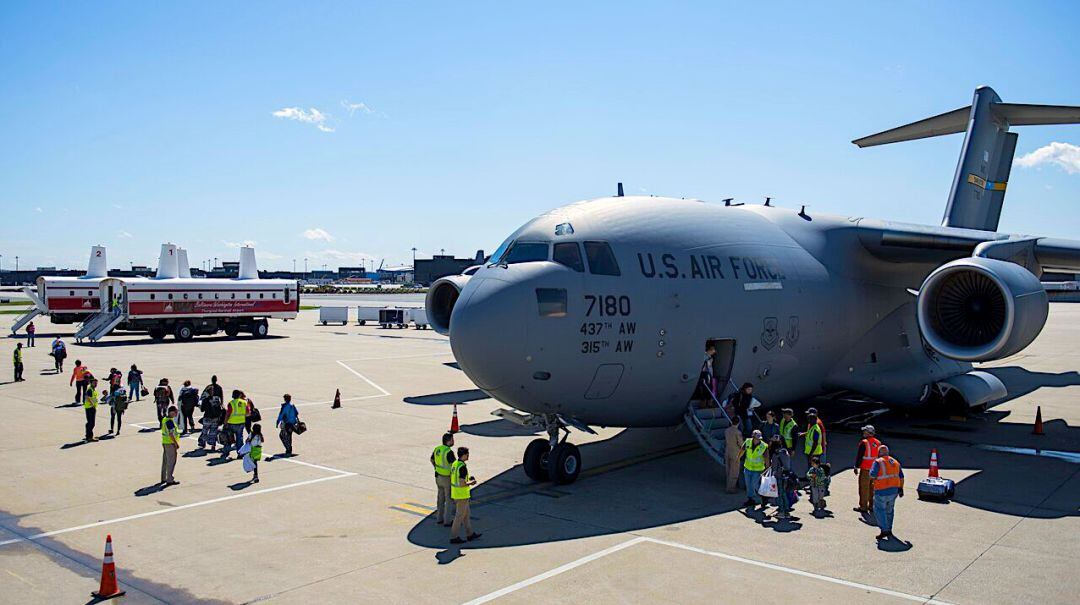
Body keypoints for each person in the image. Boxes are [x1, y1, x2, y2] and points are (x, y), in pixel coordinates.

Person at [869, 444, 904, 540]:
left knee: (880, 510)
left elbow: (872, 475)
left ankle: (884, 530)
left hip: (881, 490)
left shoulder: (878, 462)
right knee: (889, 510)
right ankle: (889, 529)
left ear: (879, 453)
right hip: (894, 491)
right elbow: (901, 477)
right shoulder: (895, 462)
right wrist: (901, 488)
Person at [449, 446, 481, 544]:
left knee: (466, 515)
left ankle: (470, 534)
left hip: (457, 494)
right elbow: (462, 483)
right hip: (461, 495)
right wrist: (471, 482)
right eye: (467, 454)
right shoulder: (462, 467)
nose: (468, 456)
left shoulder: (455, 464)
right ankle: (454, 537)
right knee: (459, 516)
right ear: (463, 455)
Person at [853, 425, 882, 514]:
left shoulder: (864, 442)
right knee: (872, 489)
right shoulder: (878, 443)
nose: (863, 433)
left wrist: (856, 466)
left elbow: (860, 456)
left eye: (865, 431)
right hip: (875, 470)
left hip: (865, 469)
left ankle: (863, 507)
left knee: (864, 488)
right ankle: (872, 506)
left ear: (869, 433)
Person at [431, 432, 457, 526]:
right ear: (448, 441)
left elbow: (432, 460)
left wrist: (436, 467)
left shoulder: (437, 449)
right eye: (452, 440)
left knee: (440, 499)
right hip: (447, 478)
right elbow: (454, 465)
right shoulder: (449, 452)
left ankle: (439, 518)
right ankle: (447, 521)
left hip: (438, 477)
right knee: (448, 500)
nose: (453, 441)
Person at [740, 429, 768, 508]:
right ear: (753, 437)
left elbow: (767, 458)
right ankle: (751, 499)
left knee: (755, 484)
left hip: (758, 470)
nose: (758, 440)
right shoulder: (748, 442)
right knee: (748, 484)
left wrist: (767, 469)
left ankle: (763, 497)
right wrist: (737, 459)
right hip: (748, 467)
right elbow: (742, 450)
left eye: (760, 439)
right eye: (757, 438)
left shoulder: (764, 446)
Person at [769, 435, 793, 519]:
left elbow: (774, 468)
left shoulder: (775, 455)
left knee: (779, 494)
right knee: (785, 494)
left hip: (779, 477)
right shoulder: (786, 452)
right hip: (787, 475)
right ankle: (786, 511)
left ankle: (781, 511)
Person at [221, 389, 249, 459]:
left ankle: (226, 453)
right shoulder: (244, 402)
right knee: (239, 438)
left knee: (228, 438)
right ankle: (240, 453)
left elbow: (228, 414)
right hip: (241, 423)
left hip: (231, 423)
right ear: (240, 395)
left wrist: (225, 422)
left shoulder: (231, 403)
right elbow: (248, 413)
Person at [160, 406, 181, 486]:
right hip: (170, 443)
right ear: (171, 412)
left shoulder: (165, 419)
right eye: (176, 412)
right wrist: (176, 443)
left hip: (165, 442)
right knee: (171, 462)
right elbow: (171, 434)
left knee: (165, 461)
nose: (177, 414)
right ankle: (169, 479)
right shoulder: (169, 421)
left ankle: (164, 477)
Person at [723, 418, 743, 493]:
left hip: (727, 451)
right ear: (738, 423)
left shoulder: (727, 430)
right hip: (735, 453)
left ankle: (728, 485)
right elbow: (741, 444)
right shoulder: (738, 432)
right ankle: (730, 489)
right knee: (734, 471)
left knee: (728, 470)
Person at [84, 378, 100, 442]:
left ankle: (88, 435)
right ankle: (90, 437)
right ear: (91, 383)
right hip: (90, 408)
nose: (96, 384)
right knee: (92, 423)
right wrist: (93, 404)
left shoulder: (93, 389)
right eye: (94, 383)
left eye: (96, 383)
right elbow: (87, 397)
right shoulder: (90, 390)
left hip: (90, 407)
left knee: (89, 423)